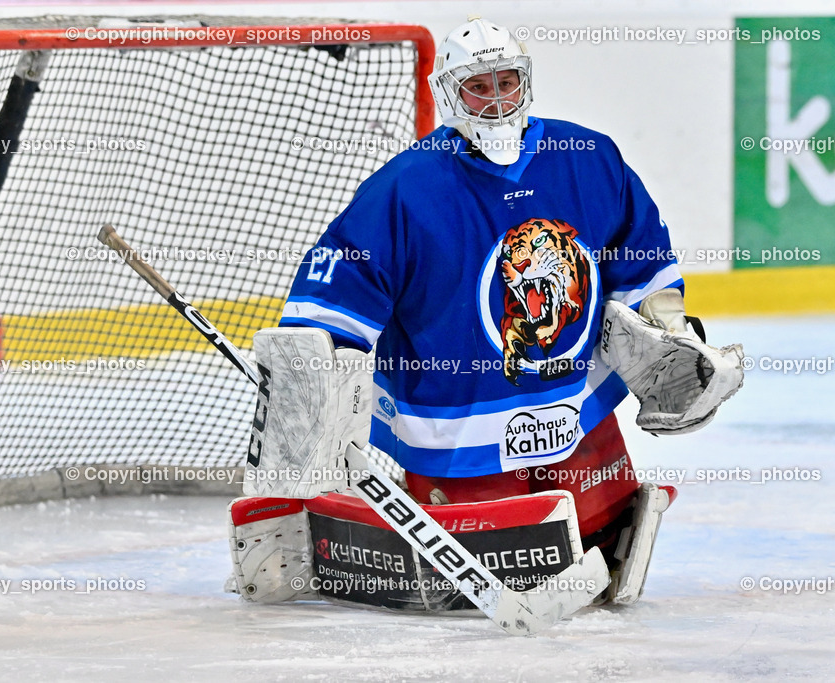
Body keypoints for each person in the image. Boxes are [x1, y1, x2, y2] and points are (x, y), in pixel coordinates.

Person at [233, 16, 742, 612]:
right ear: (450, 92)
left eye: (508, 81)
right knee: (476, 574)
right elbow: (333, 303)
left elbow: (640, 255)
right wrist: (311, 390)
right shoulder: (405, 189)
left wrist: (672, 327)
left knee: (603, 540)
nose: (497, 98)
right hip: (459, 424)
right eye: (479, 85)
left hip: (576, 407)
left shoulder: (587, 157)